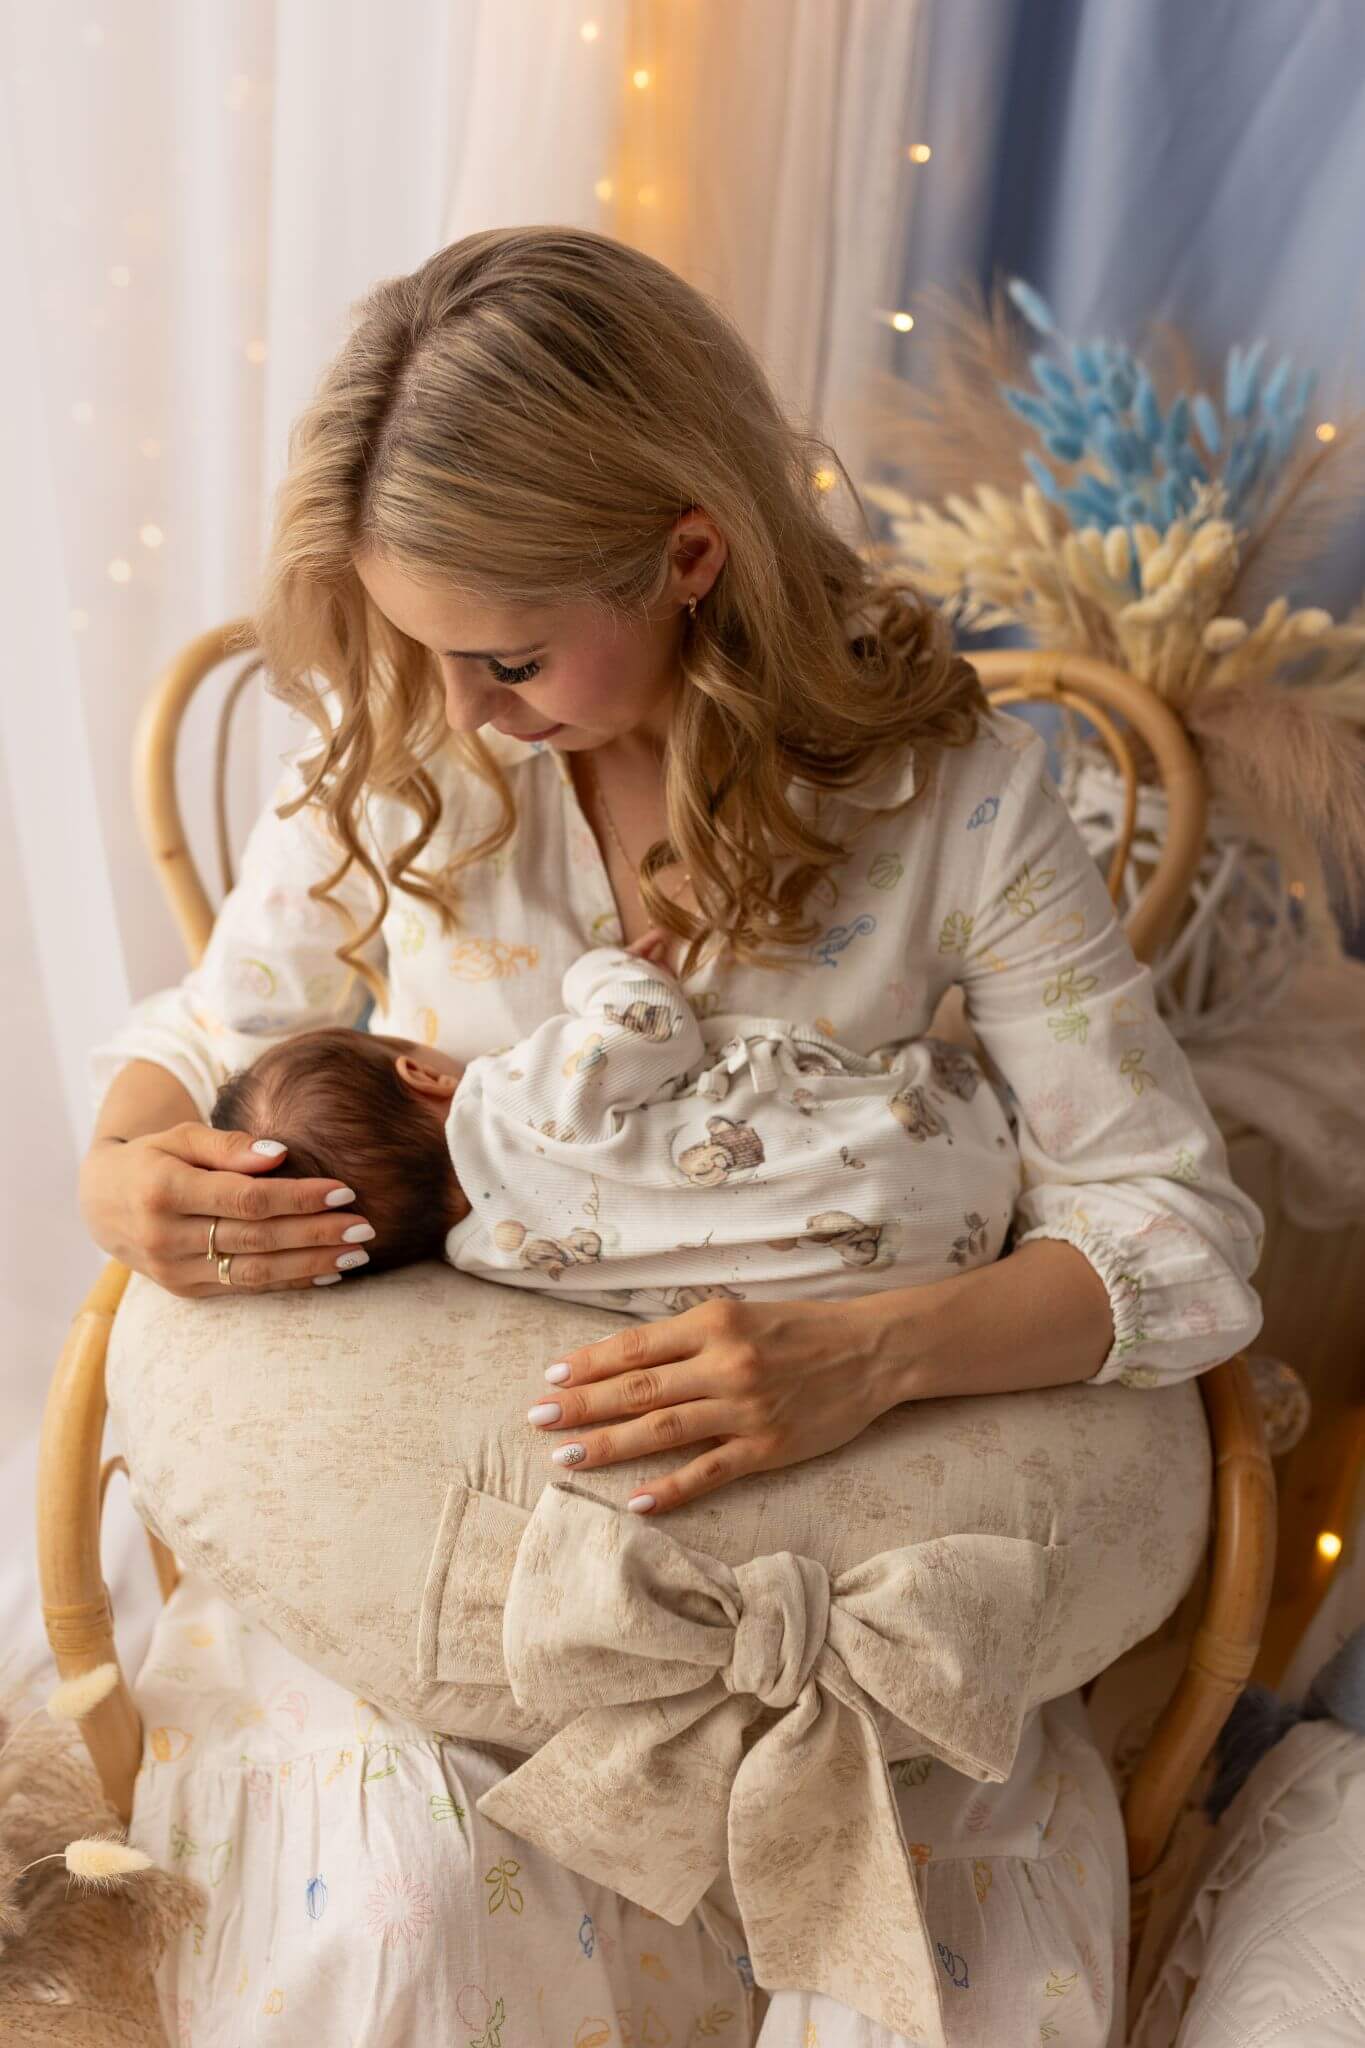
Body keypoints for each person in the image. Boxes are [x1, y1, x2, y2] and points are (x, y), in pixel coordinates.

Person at [81, 225, 1265, 2045]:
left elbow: (1173, 1225)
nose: (458, 710)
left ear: (691, 553)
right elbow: (206, 1033)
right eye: (425, 651)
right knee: (406, 1907)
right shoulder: (411, 738)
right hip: (428, 1558)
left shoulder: (949, 795)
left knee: (909, 1963)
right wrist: (128, 1166)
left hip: (820, 1560)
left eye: (511, 656)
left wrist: (874, 1356)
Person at [207, 927, 1023, 1333]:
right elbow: (657, 1027)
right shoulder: (504, 1098)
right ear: (420, 1074)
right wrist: (597, 972)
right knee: (865, 1082)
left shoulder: (487, 1259)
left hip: (921, 1271)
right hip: (942, 1145)